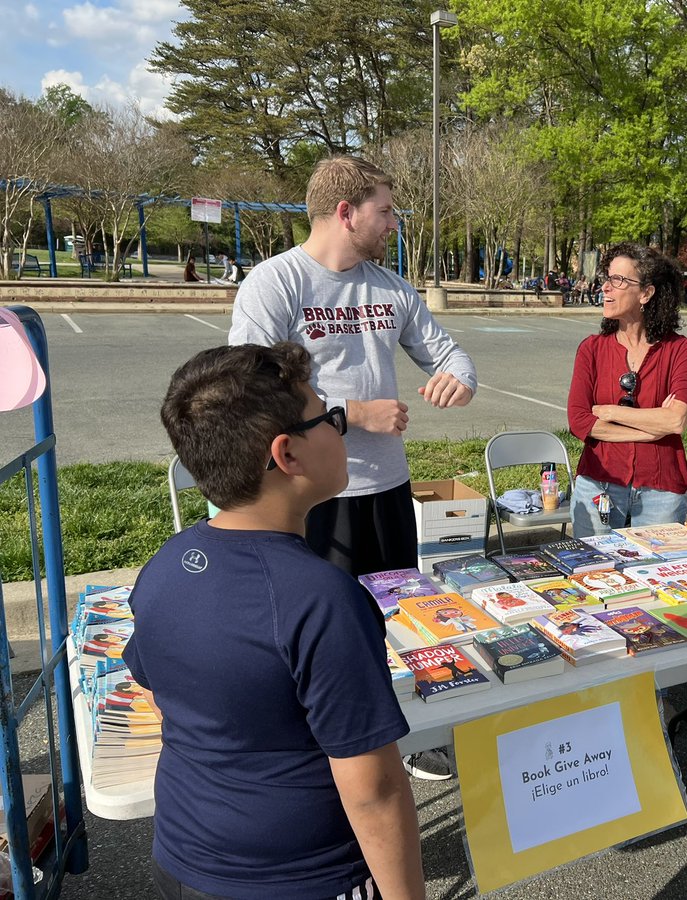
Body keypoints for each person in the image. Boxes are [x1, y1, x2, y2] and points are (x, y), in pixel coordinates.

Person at [123, 342, 424, 900]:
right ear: (287, 455)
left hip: (182, 856)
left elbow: (154, 679)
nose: (341, 428)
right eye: (330, 417)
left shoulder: (164, 565)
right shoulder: (321, 600)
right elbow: (373, 791)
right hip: (300, 877)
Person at [230, 155, 475, 782]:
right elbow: (248, 391)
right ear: (347, 213)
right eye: (386, 210)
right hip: (309, 498)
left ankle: (411, 734)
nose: (394, 222)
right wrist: (351, 414)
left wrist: (459, 378)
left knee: (396, 617)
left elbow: (447, 351)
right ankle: (319, 753)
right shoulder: (275, 284)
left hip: (386, 490)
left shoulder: (390, 288)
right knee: (317, 633)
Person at [567, 242, 687, 537]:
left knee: (661, 574)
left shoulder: (678, 349)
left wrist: (610, 412)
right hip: (599, 485)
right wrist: (652, 429)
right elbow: (580, 421)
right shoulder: (591, 349)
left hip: (660, 488)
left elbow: (676, 420)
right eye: (608, 279)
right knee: (592, 574)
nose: (606, 288)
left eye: (619, 280)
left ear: (646, 293)